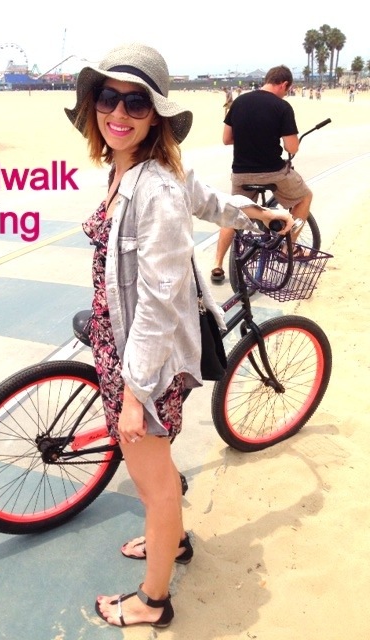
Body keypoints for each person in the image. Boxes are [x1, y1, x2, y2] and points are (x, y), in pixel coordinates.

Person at [64, 43, 293, 628]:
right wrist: (256, 213)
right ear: (93, 105)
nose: (119, 113)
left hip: (144, 360)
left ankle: (153, 601)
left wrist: (136, 394)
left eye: (136, 103)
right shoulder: (138, 169)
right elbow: (209, 200)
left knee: (155, 485)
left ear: (156, 115)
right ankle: (175, 540)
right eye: (108, 97)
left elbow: (161, 301)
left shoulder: (156, 189)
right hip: (124, 348)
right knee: (156, 474)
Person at [211, 64, 312, 283]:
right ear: (284, 84)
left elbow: (227, 139)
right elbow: (291, 147)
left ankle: (217, 264)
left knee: (233, 212)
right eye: (287, 90)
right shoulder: (282, 107)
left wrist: (250, 137)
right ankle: (287, 247)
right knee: (305, 197)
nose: (286, 94)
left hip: (241, 174)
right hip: (272, 173)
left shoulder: (239, 102)